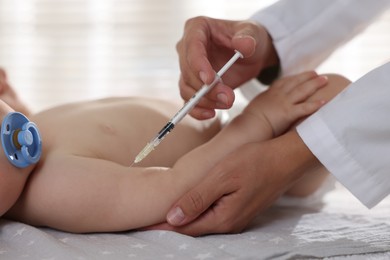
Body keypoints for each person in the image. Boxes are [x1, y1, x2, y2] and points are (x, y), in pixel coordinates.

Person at [0, 65, 347, 233]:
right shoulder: (54, 188)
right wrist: (258, 120)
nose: (13, 132)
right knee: (336, 93)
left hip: (225, 126)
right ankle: (305, 169)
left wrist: (15, 102)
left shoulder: (33, 126)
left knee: (330, 91)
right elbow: (173, 185)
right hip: (244, 156)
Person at [161, 0, 390, 236]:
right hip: (229, 132)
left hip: (239, 137)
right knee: (324, 95)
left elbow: (170, 189)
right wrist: (269, 40)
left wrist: (265, 125)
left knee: (324, 92)